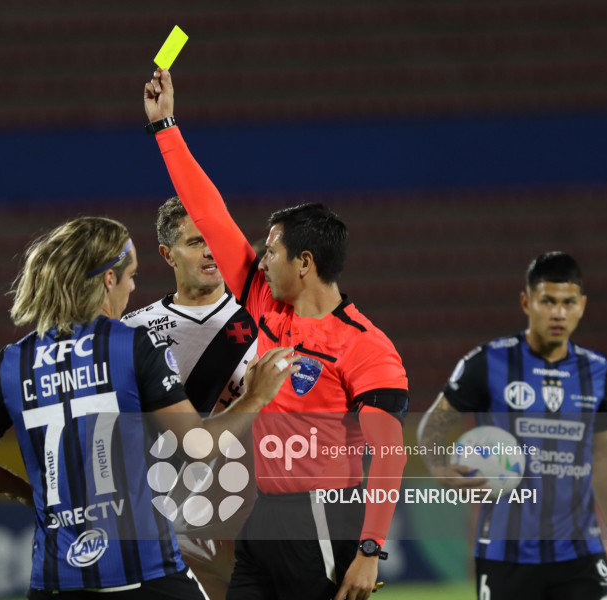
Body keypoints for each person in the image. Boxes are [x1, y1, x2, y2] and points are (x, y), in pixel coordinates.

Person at [143, 68, 409, 600]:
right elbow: (208, 211)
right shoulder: (266, 302)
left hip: (325, 517)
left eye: (271, 251)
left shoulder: (366, 346)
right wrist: (165, 126)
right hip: (266, 512)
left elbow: (390, 454)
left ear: (305, 262)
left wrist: (370, 550)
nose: (259, 260)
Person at [0, 216, 299, 600]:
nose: (133, 286)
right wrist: (255, 397)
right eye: (130, 275)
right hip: (144, 572)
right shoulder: (131, 345)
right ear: (108, 280)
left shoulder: (12, 362)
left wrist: (29, 494)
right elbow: (198, 445)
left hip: (55, 579)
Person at [418, 251, 607, 600]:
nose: (559, 312)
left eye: (568, 302)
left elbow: (603, 453)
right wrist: (439, 466)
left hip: (580, 552)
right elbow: (431, 427)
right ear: (526, 302)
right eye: (547, 301)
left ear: (582, 305)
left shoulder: (598, 371)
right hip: (505, 555)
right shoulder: (488, 362)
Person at [122, 198, 258, 600]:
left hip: (254, 515)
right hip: (171, 518)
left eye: (214, 239)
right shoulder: (134, 330)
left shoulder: (260, 316)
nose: (210, 250)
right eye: (196, 242)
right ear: (167, 254)